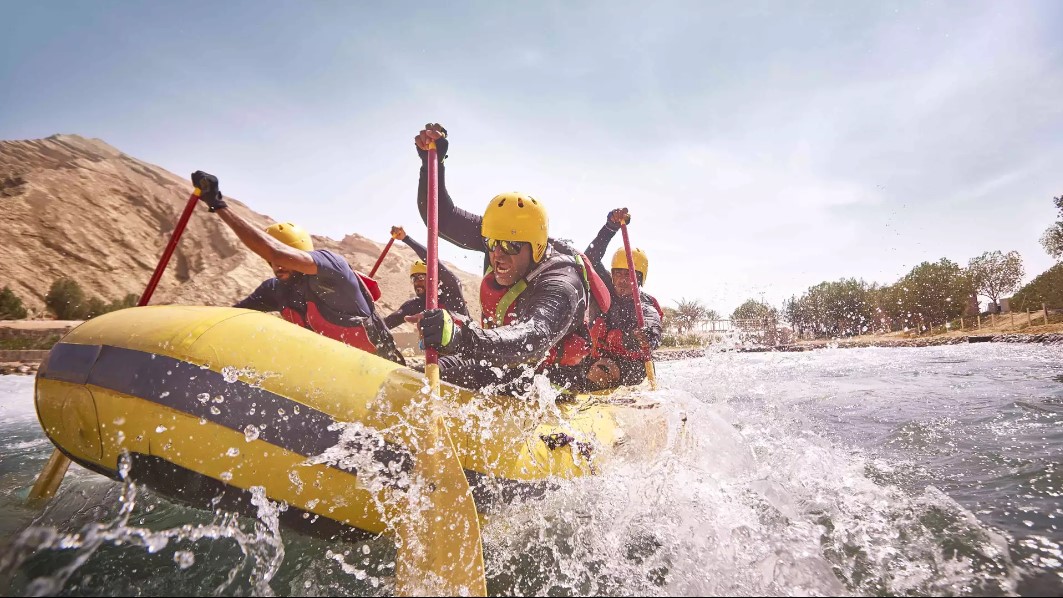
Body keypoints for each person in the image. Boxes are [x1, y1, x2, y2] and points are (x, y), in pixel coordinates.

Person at [410, 124, 611, 394]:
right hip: (495, 360)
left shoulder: (562, 282)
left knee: (480, 375)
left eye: (510, 246)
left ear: (536, 247)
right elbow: (441, 218)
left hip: (549, 382)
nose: (497, 254)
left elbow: (534, 338)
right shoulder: (498, 236)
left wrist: (460, 336)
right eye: (491, 244)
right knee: (419, 379)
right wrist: (431, 163)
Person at [190, 171, 404, 365]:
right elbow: (232, 316)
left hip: (380, 365)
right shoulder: (274, 290)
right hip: (334, 371)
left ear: (301, 254)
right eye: (271, 261)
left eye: (284, 257)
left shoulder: (332, 266)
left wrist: (218, 204)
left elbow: (275, 251)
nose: (277, 265)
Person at [584, 208, 663, 388]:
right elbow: (590, 258)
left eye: (629, 275)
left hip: (634, 368)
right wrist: (610, 227)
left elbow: (653, 326)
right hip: (602, 358)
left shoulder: (644, 305)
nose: (622, 280)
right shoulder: (607, 290)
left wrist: (647, 336)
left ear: (640, 278)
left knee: (599, 371)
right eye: (618, 274)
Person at [383, 226, 471, 329]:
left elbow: (434, 262)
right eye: (414, 279)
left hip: (469, 342)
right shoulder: (416, 304)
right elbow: (390, 321)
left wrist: (406, 239)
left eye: (420, 277)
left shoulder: (452, 292)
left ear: (434, 278)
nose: (416, 283)